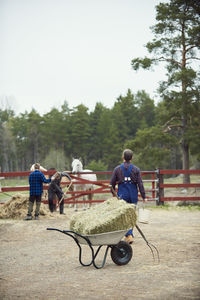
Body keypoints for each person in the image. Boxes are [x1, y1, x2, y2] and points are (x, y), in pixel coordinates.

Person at [110, 149, 147, 244]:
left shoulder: (117, 169)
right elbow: (140, 184)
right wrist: (144, 196)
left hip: (122, 196)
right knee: (131, 215)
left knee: (124, 216)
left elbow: (112, 184)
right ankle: (129, 235)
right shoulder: (136, 169)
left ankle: (129, 235)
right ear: (132, 158)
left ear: (123, 157)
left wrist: (114, 195)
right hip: (133, 195)